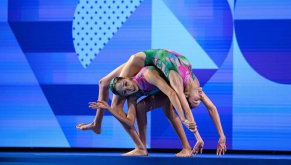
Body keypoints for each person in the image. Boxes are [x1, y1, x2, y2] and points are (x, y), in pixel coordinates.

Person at [77, 49, 226, 154]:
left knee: (104, 83)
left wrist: (221, 137)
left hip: (152, 64)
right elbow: (183, 105)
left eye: (196, 100)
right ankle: (138, 146)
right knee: (113, 101)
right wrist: (196, 135)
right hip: (140, 60)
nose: (198, 98)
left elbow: (210, 108)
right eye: (196, 99)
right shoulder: (178, 80)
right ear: (191, 92)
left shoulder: (193, 85)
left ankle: (99, 126)